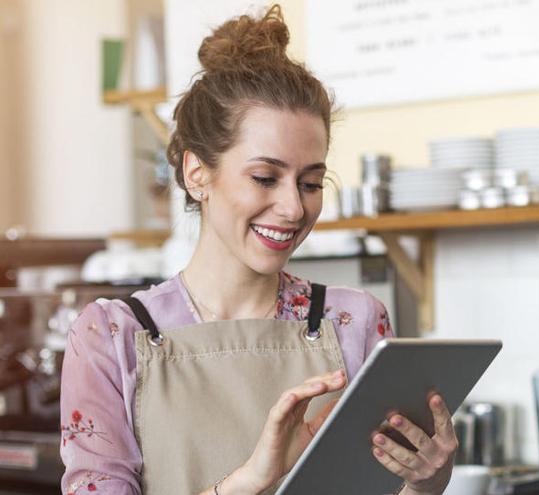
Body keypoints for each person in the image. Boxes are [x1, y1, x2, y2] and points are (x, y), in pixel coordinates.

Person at [59, 5, 456, 494]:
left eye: (310, 182)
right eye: (265, 177)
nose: (292, 207)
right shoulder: (112, 336)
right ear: (196, 173)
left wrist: (425, 481)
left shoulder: (354, 321)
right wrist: (252, 479)